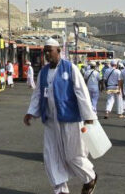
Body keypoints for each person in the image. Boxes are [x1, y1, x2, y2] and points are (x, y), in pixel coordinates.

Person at [24, 39, 98, 194]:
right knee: (51, 157)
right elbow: (37, 94)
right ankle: (61, 190)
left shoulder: (69, 68)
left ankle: (89, 177)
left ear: (58, 51)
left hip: (69, 118)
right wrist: (31, 112)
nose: (46, 54)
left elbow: (81, 91)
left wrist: (88, 115)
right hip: (51, 121)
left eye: (49, 50)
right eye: (45, 51)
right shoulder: (43, 72)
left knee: (73, 155)